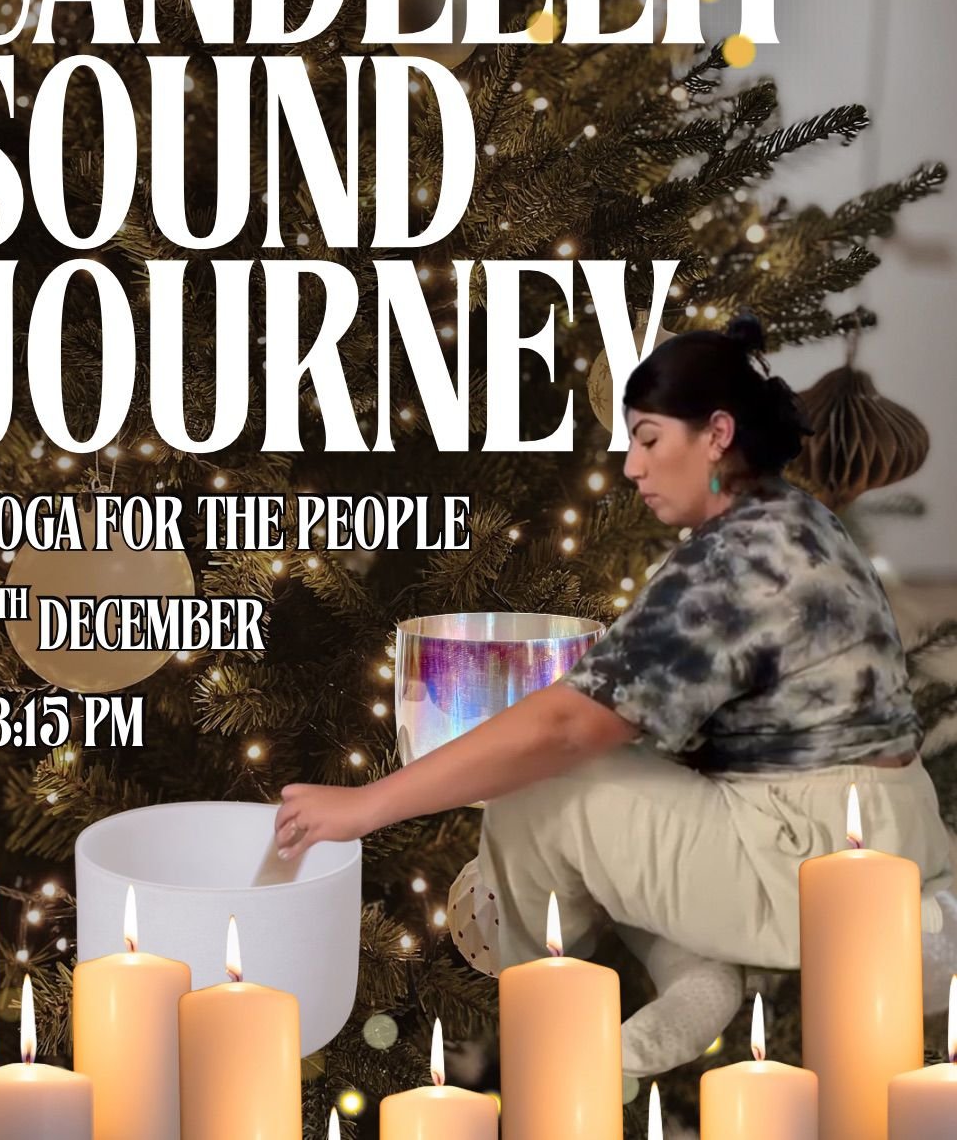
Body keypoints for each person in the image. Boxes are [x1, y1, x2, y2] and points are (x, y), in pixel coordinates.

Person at [274, 308, 956, 1075]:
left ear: (718, 437)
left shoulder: (734, 561)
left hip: (808, 861)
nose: (631, 466)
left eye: (650, 439)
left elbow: (567, 728)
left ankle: (547, 1026)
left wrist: (367, 806)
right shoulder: (795, 519)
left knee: (535, 790)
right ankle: (693, 972)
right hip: (881, 830)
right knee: (611, 796)